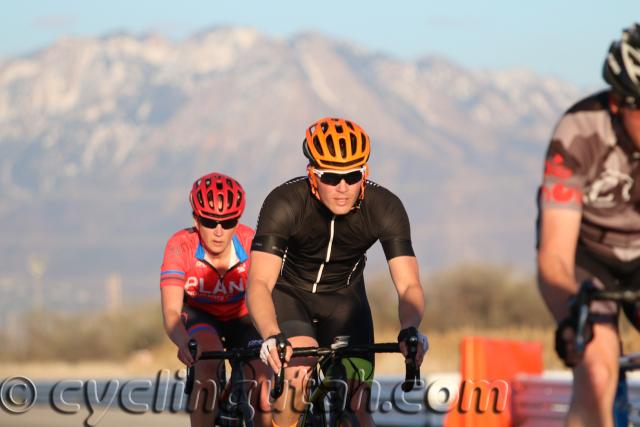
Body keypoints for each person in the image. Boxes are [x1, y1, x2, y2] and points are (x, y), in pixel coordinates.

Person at [246, 117, 429, 427]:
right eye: (330, 177)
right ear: (312, 175)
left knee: (358, 408)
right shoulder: (285, 202)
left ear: (365, 174)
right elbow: (259, 283)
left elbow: (409, 285)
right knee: (296, 377)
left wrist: (410, 328)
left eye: (353, 176)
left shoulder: (385, 207)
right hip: (291, 295)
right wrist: (271, 335)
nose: (343, 188)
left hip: (346, 303)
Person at [537, 23, 640, 427]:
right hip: (587, 258)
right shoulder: (577, 133)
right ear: (618, 102)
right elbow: (556, 255)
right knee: (596, 367)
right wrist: (569, 322)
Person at [160, 172, 271, 427]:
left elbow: (269, 294)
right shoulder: (180, 247)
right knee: (207, 365)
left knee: (263, 384)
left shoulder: (251, 242)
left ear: (238, 220)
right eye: (210, 222)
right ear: (196, 219)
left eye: (228, 221)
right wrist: (183, 342)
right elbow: (171, 313)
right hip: (202, 316)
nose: (219, 231)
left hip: (244, 315)